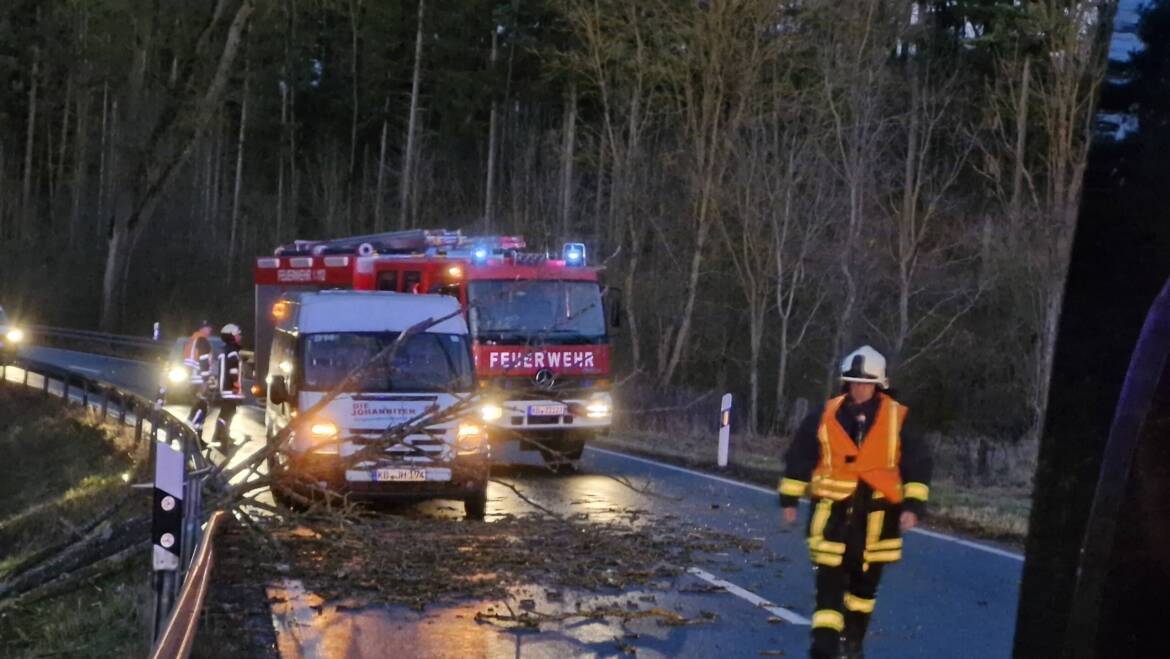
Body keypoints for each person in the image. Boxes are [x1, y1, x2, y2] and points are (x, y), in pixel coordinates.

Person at [779, 346, 932, 659]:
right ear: (845, 382)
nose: (859, 388)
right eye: (853, 382)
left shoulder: (898, 417)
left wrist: (913, 506)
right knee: (828, 594)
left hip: (877, 521)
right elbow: (800, 455)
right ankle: (823, 649)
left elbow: (918, 463)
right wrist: (790, 498)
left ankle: (854, 641)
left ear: (879, 385)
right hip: (833, 520)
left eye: (865, 383)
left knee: (863, 592)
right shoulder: (825, 415)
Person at [211, 323, 245, 449]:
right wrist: (236, 387)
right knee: (228, 413)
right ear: (231, 336)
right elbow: (233, 372)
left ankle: (221, 435)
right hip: (230, 390)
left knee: (227, 413)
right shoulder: (232, 352)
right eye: (237, 335)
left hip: (225, 388)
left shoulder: (226, 350)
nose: (240, 337)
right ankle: (221, 437)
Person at [184, 321, 215, 434]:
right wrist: (205, 381)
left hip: (192, 378)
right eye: (208, 328)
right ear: (203, 329)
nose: (210, 330)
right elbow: (204, 362)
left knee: (199, 406)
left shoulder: (193, 339)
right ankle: (191, 432)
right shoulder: (203, 341)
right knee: (201, 407)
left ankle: (195, 434)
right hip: (199, 379)